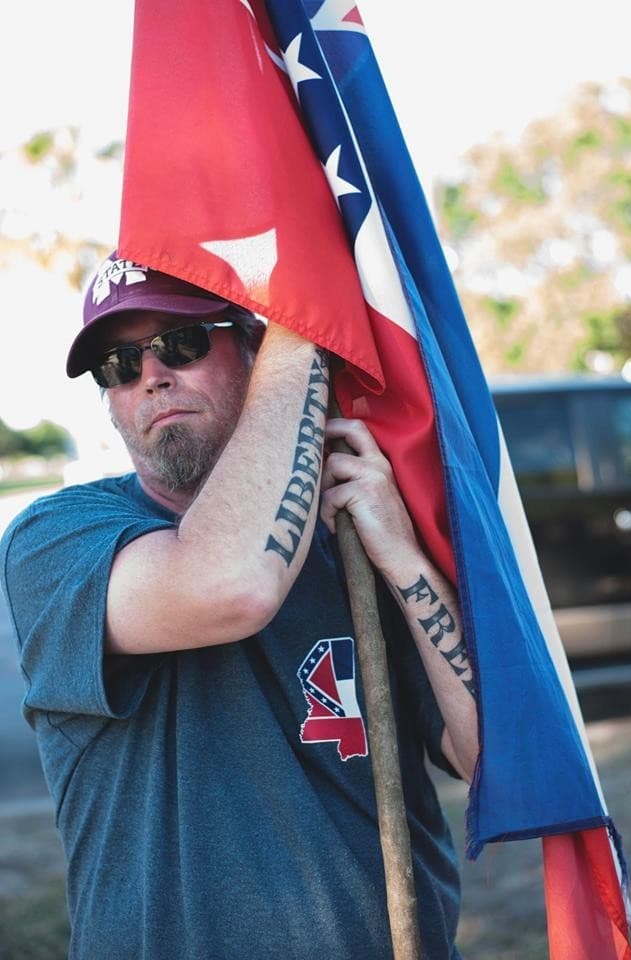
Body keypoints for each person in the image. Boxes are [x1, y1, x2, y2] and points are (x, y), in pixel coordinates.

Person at [1, 252, 479, 960]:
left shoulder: (356, 542)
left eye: (180, 344)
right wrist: (303, 317)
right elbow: (231, 587)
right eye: (118, 368)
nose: (150, 377)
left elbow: (490, 760)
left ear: (251, 349)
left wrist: (401, 556)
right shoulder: (58, 539)